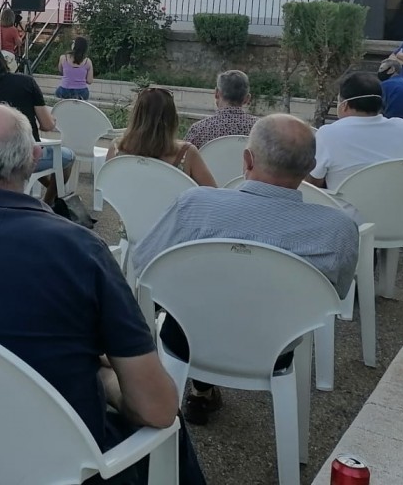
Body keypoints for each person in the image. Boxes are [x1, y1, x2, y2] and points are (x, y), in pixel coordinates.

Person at [0, 104, 206, 485]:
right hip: (62, 463)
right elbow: (157, 408)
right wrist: (103, 376)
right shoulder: (81, 249)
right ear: (34, 159)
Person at [133, 114, 360, 426]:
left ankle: (200, 388)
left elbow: (144, 265)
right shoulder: (338, 229)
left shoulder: (196, 205)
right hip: (276, 346)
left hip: (187, 339)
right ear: (310, 169)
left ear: (247, 159)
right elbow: (336, 295)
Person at [0, 44, 74, 204]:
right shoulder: (26, 82)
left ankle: (45, 195)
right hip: (26, 155)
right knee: (67, 156)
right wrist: (52, 121)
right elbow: (47, 125)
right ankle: (48, 202)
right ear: (1, 61)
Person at [308, 71, 403, 190]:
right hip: (401, 206)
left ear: (344, 104)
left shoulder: (329, 133)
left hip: (342, 207)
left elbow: (314, 183)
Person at [107, 87, 217, 187]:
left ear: (136, 116)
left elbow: (108, 187)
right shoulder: (186, 153)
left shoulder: (117, 147)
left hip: (128, 208)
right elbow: (213, 193)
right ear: (172, 118)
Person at [183, 70, 258, 149]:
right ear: (247, 99)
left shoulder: (199, 130)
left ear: (217, 93)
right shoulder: (261, 130)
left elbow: (183, 157)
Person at [56, 36, 94, 101]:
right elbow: (89, 81)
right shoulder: (88, 61)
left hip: (65, 89)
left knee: (58, 94)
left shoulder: (63, 58)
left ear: (73, 46)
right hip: (81, 92)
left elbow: (61, 71)